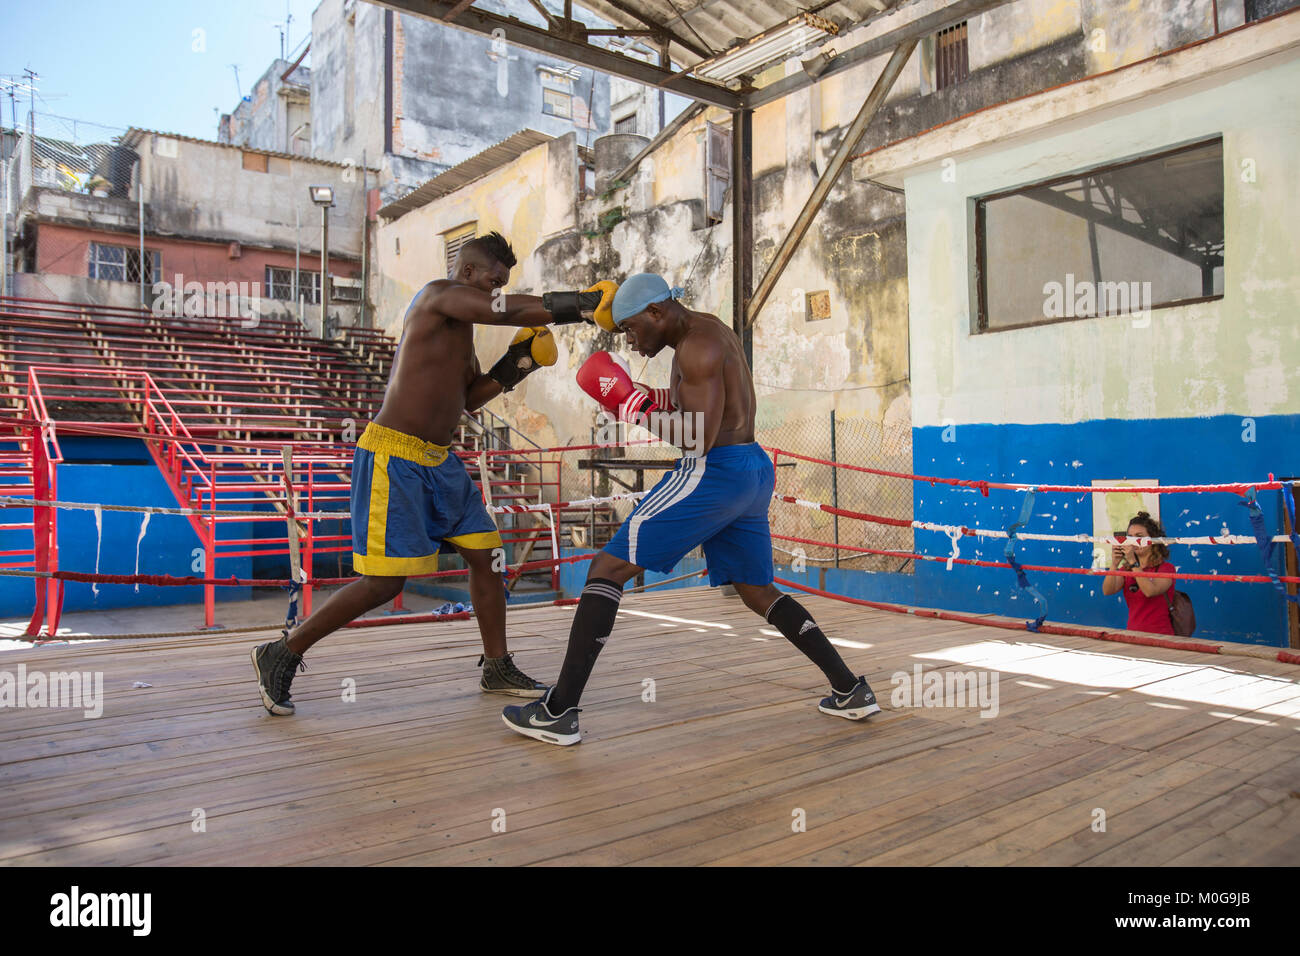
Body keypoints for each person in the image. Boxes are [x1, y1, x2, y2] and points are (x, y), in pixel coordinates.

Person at [501, 272, 880, 746]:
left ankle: (559, 711)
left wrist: (629, 403)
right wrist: (638, 394)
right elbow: (699, 404)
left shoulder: (694, 348)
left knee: (606, 567)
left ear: (657, 312)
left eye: (635, 330)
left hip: (713, 471)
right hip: (750, 470)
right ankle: (850, 689)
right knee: (757, 589)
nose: (633, 343)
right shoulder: (709, 331)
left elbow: (697, 435)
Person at [250, 231, 616, 715]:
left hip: (440, 462)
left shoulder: (462, 333)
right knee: (384, 584)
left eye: (502, 283)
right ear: (466, 274)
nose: (495, 290)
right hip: (394, 457)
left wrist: (518, 363)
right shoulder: (435, 296)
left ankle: (496, 664)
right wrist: (582, 304)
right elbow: (503, 310)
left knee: (488, 557)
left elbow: (468, 399)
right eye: (492, 280)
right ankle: (283, 651)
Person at [1101, 510, 1176, 634]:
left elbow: (1149, 591)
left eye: (1139, 537)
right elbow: (1107, 590)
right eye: (1130, 537)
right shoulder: (1127, 569)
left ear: (1152, 539)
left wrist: (1132, 561)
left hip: (1161, 635)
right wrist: (1114, 564)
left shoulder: (1166, 569)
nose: (1134, 541)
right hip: (1133, 634)